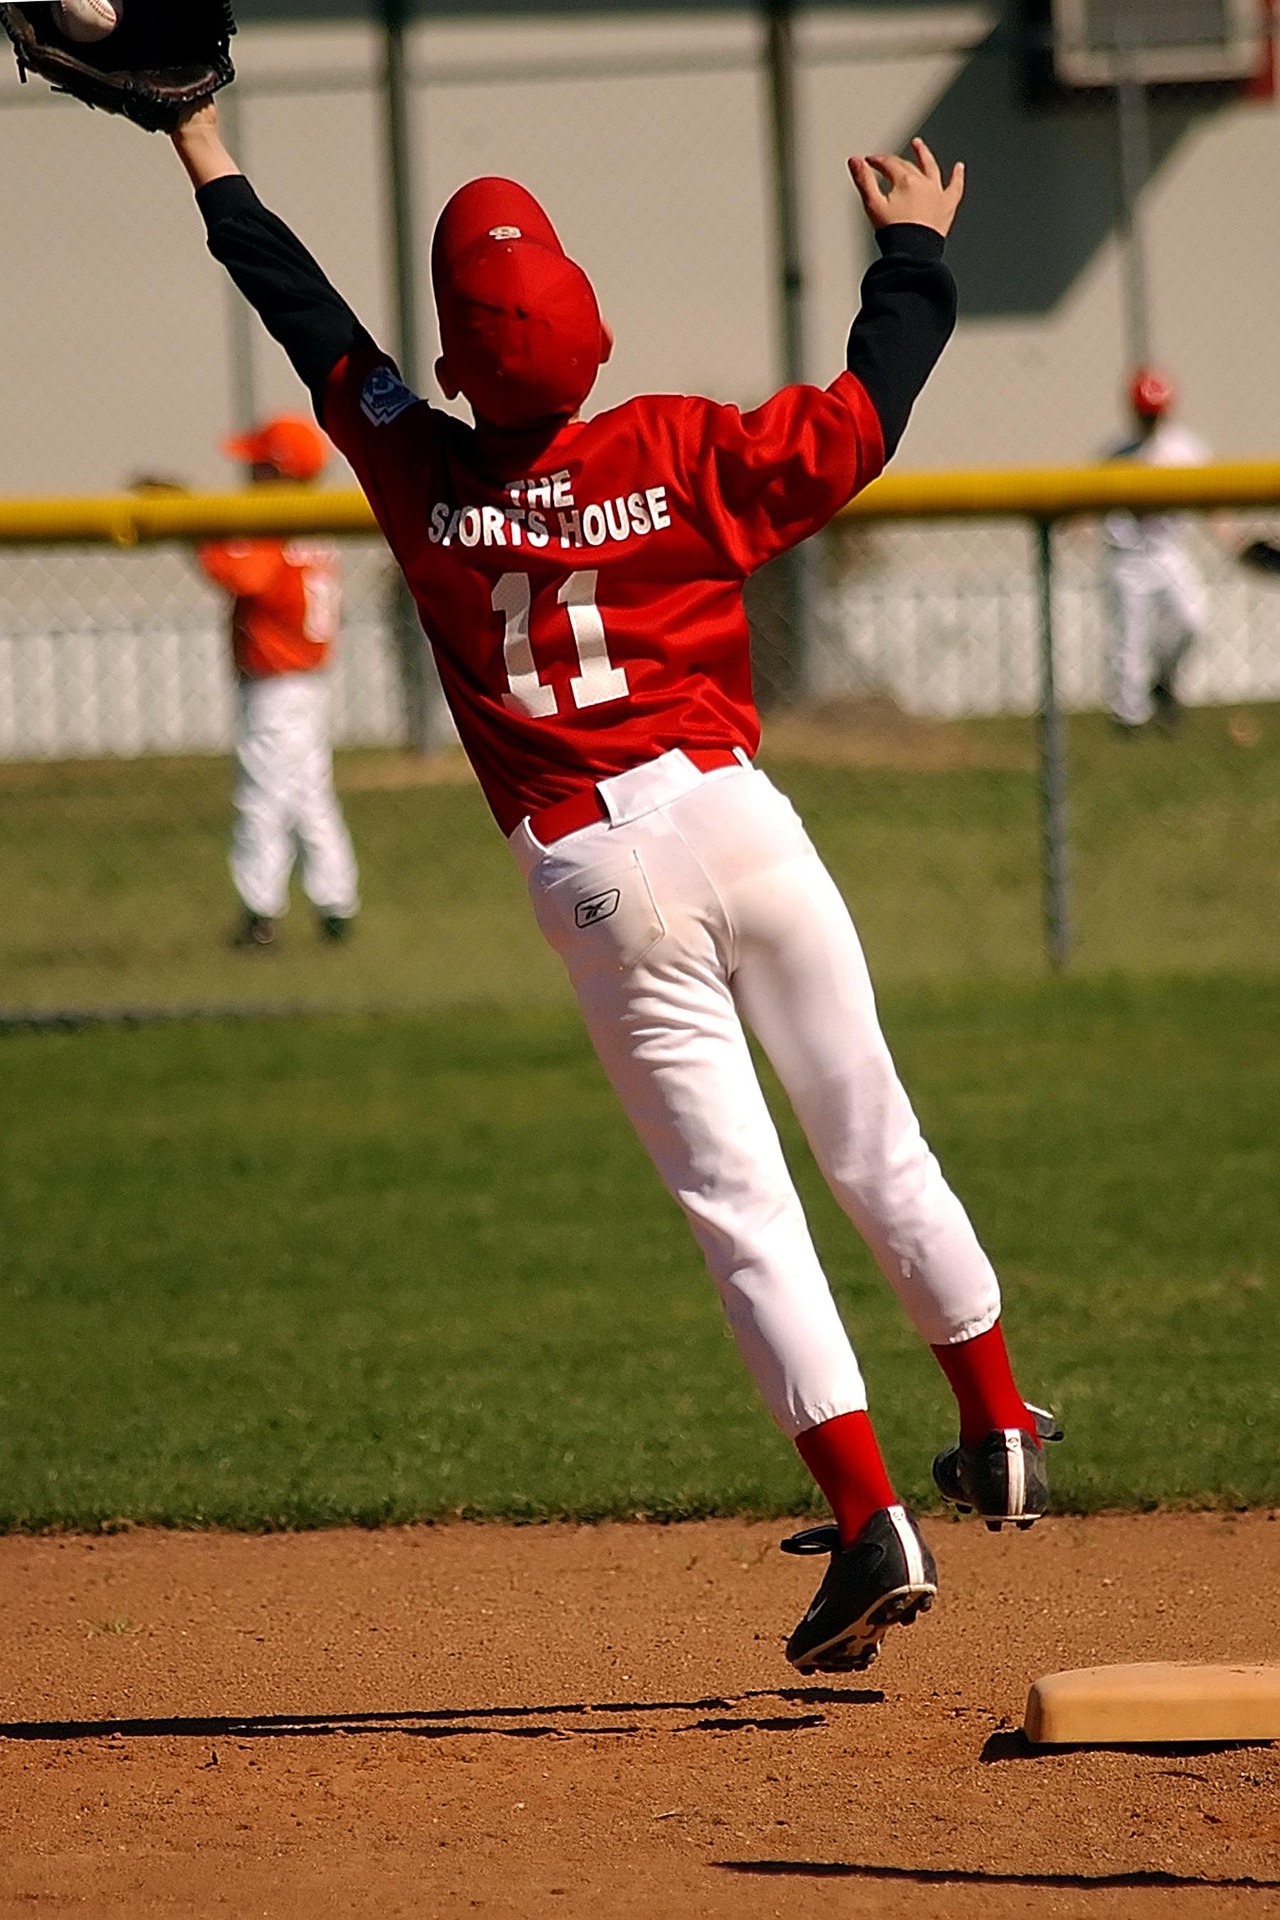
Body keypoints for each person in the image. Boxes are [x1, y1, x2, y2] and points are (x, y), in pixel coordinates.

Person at [168, 104, 1060, 1676]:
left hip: (593, 868)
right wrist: (913, 253)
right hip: (742, 824)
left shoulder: (414, 461)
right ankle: (995, 1423)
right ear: (593, 334)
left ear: (451, 370)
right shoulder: (677, 448)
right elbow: (865, 413)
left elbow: (302, 311)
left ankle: (869, 1524)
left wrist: (202, 140)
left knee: (744, 1210)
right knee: (874, 1135)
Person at [197, 417, 360, 947]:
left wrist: (188, 527)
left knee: (262, 795)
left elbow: (240, 574)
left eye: (257, 465)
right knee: (310, 794)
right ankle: (336, 903)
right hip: (306, 681)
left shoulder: (278, 528)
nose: (246, 473)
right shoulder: (313, 525)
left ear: (280, 475)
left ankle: (259, 913)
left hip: (277, 684)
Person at [1101, 369, 1210, 732]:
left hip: (1168, 551)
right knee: (1129, 640)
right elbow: (1093, 509)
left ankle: (1164, 680)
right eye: (1145, 413)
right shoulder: (1116, 454)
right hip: (1128, 557)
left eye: (1156, 413)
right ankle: (1130, 717)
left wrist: (1239, 543)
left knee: (1193, 622)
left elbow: (1211, 505)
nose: (1150, 420)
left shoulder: (1186, 449)